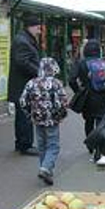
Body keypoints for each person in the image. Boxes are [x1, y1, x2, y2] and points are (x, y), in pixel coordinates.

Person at [19, 57, 68, 185]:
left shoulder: (31, 83)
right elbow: (63, 102)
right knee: (53, 146)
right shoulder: (56, 83)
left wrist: (30, 114)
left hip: (37, 119)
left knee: (42, 146)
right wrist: (61, 115)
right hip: (52, 120)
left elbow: (23, 101)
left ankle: (46, 171)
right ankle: (45, 168)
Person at [69, 39, 105, 143]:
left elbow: (71, 80)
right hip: (104, 96)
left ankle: (90, 144)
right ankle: (98, 147)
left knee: (89, 121)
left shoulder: (81, 63)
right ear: (98, 50)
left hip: (88, 97)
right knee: (101, 122)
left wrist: (78, 91)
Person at [8, 16, 41, 155]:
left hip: (23, 85)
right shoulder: (22, 41)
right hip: (22, 86)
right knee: (25, 116)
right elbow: (22, 62)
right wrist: (39, 71)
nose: (39, 31)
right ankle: (25, 145)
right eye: (38, 28)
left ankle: (21, 143)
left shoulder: (25, 39)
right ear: (30, 26)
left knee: (23, 116)